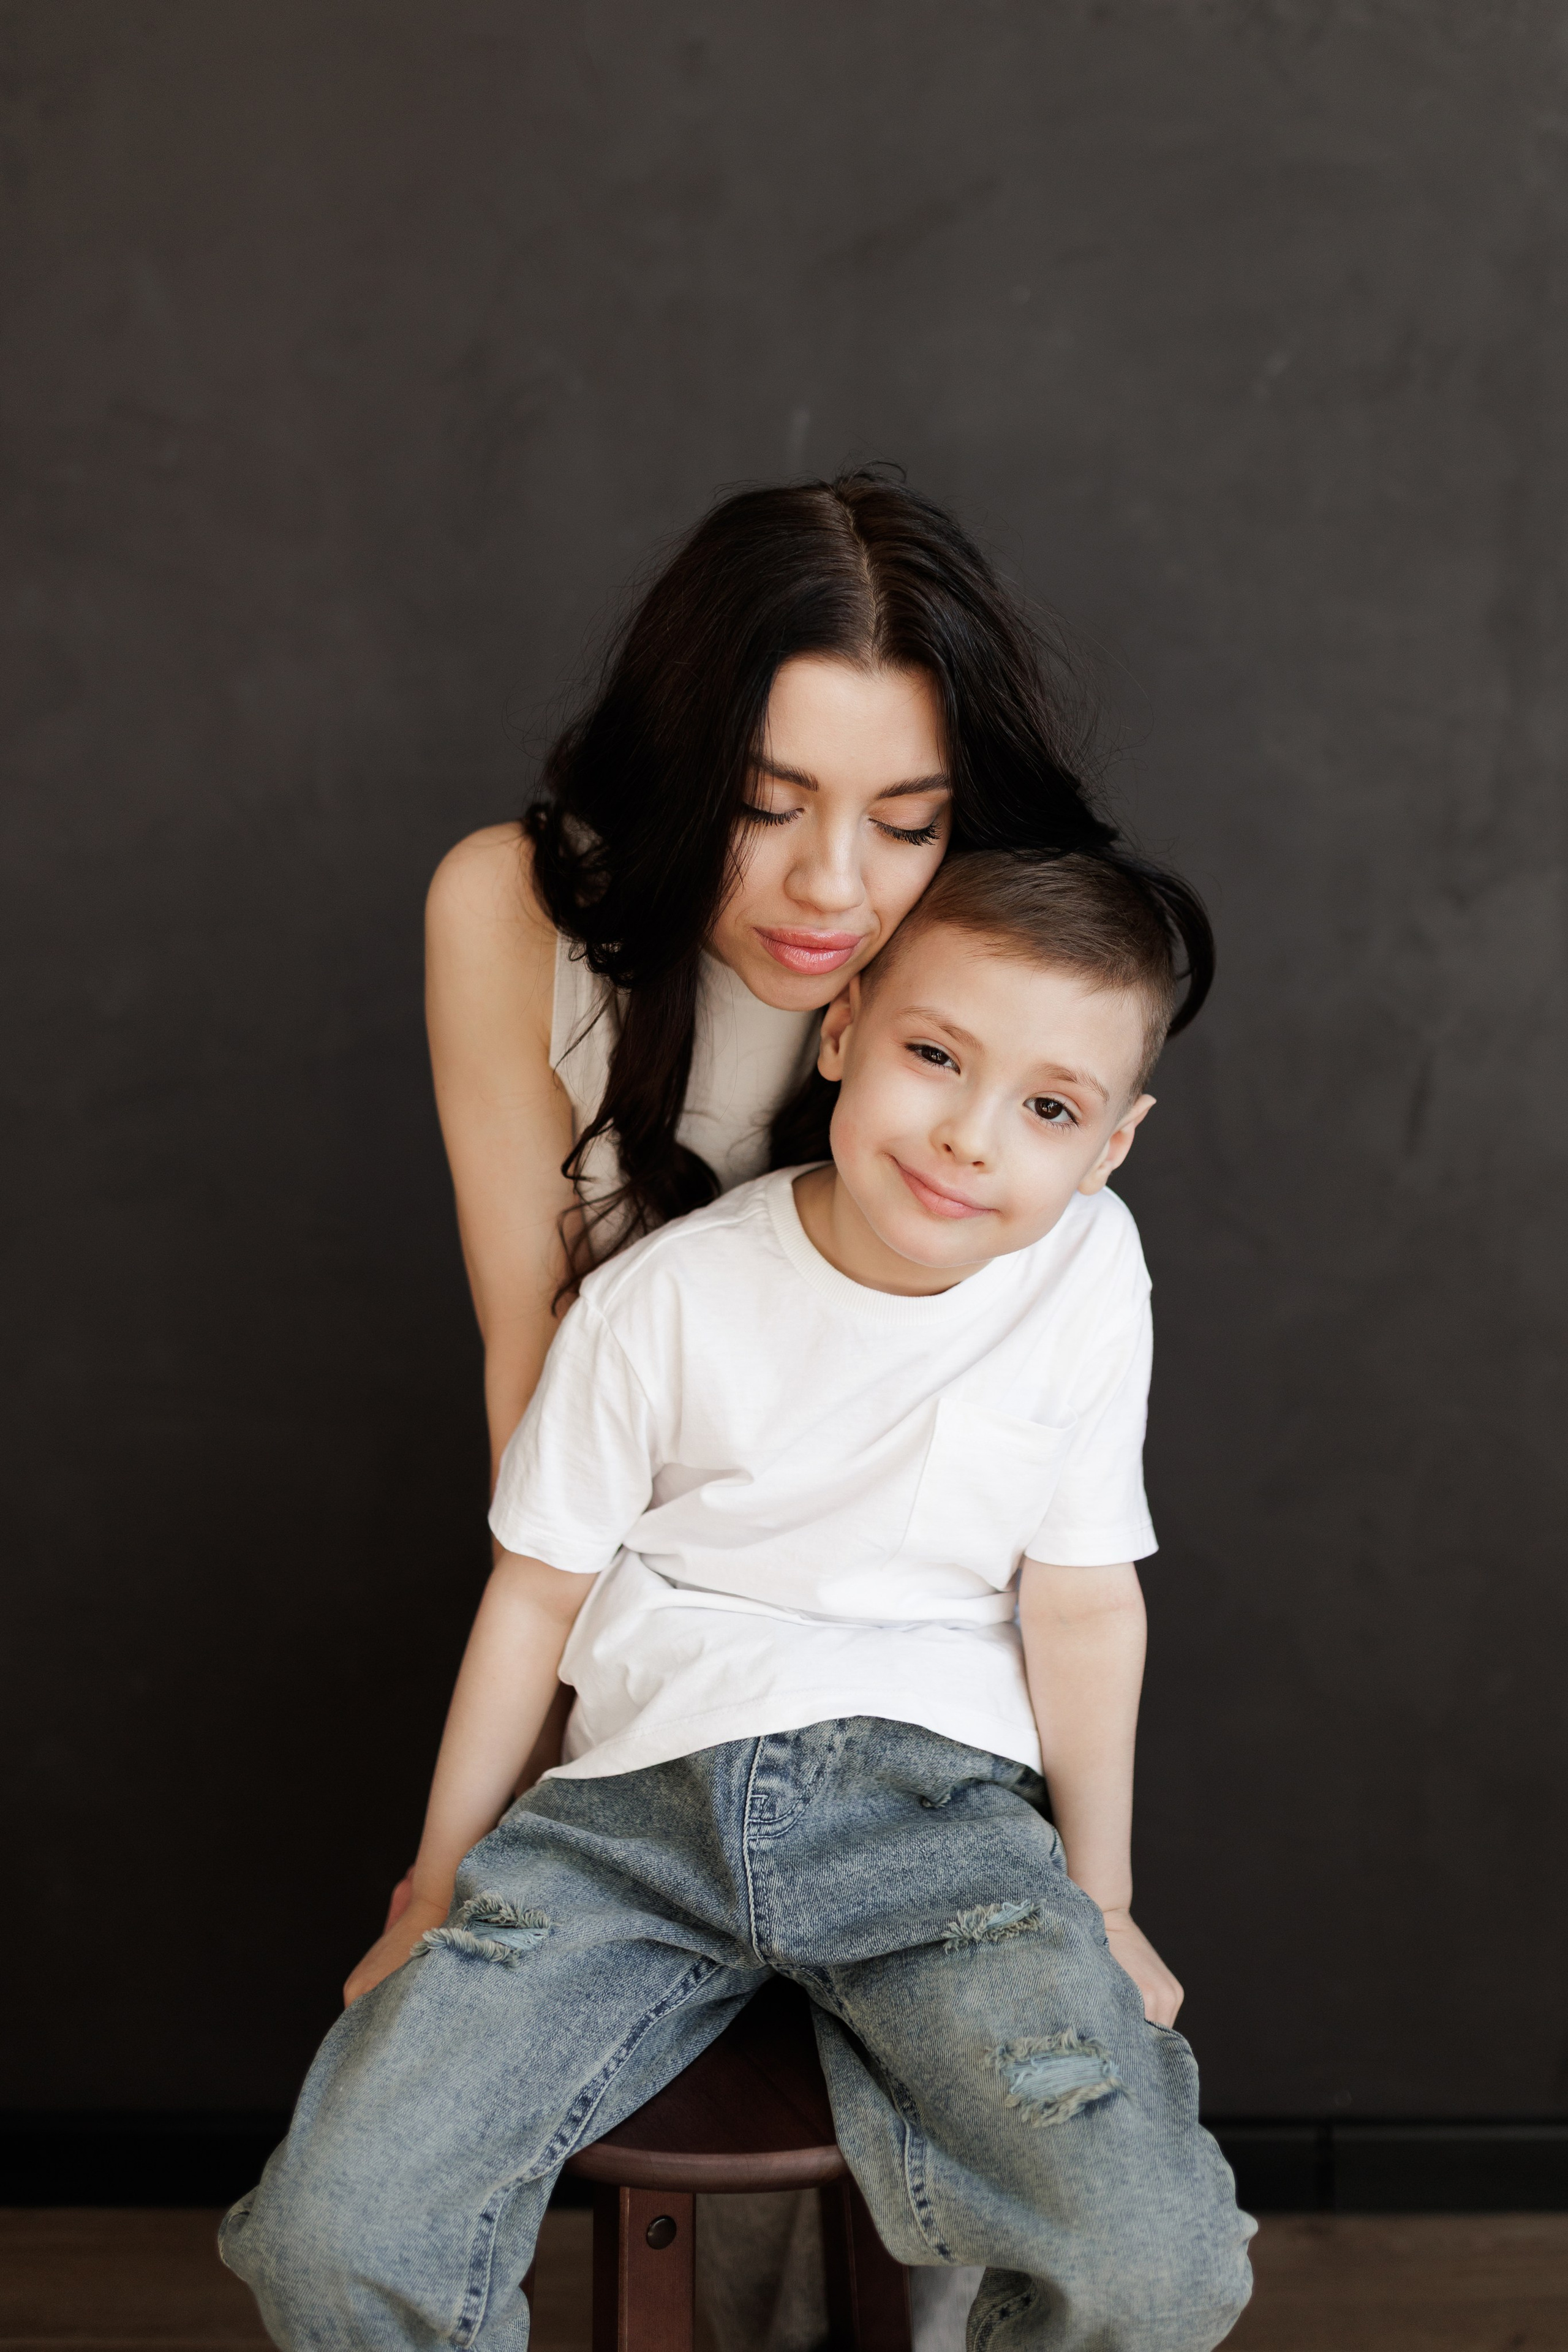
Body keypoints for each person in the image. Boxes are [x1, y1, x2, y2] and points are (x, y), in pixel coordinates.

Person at [221, 848, 1255, 2350]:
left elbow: (1084, 1603)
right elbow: (535, 1597)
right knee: (337, 2234)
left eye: (1048, 1109)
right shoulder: (664, 1299)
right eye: (933, 1056)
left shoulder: (1086, 1271)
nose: (968, 1137)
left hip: (938, 1834)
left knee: (1154, 2262)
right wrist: (435, 1881)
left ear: (1110, 1145)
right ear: (841, 1033)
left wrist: (1100, 1902)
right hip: (632, 1828)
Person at [401, 467, 1214, 2348]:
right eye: (767, 807)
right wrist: (523, 1817)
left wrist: (1077, 1887)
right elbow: (534, 1373)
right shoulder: (513, 908)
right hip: (650, 1646)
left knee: (1035, 2188)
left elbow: (1055, 1523)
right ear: (680, 771)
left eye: (905, 824)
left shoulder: (1004, 979)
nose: (834, 888)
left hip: (938, 1697)